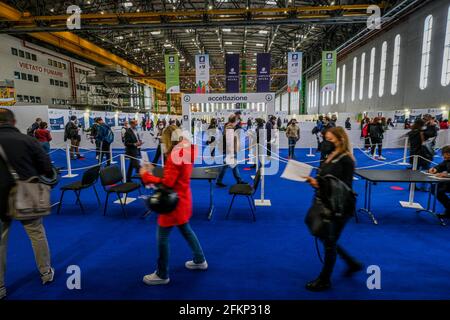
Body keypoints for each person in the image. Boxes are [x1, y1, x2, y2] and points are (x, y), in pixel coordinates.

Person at [140, 125, 207, 285]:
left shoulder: (175, 155)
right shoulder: (187, 149)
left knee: (162, 238)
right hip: (183, 198)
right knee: (186, 230)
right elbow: (174, 174)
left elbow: (167, 183)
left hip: (172, 202)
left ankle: (162, 274)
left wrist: (146, 176)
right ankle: (200, 259)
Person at [0, 108, 55, 300]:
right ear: (14, 122)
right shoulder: (27, 140)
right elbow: (47, 169)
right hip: (26, 194)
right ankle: (46, 273)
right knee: (37, 235)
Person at [304, 127, 362, 291]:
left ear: (340, 139)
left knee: (329, 242)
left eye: (330, 139)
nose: (326, 142)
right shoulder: (330, 156)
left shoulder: (346, 159)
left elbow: (342, 187)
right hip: (326, 202)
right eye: (325, 139)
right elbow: (326, 178)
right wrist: (315, 181)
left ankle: (324, 280)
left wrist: (318, 183)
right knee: (325, 237)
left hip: (340, 207)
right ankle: (352, 263)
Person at [216, 115, 245, 187]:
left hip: (229, 150)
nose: (238, 121)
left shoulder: (229, 126)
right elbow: (229, 141)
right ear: (235, 120)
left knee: (229, 166)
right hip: (230, 150)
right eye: (237, 120)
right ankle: (238, 180)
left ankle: (238, 180)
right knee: (228, 166)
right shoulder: (229, 127)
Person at [408, 118, 431, 191]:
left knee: (414, 171)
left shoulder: (411, 132)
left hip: (413, 153)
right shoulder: (421, 132)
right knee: (426, 169)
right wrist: (431, 126)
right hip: (422, 153)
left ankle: (412, 186)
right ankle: (424, 186)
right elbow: (433, 134)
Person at [429, 146, 450, 219]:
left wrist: (446, 175)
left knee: (439, 190)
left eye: (445, 154)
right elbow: (440, 166)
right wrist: (434, 169)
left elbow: (447, 174)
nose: (444, 156)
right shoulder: (447, 160)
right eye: (443, 154)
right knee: (434, 188)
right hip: (448, 183)